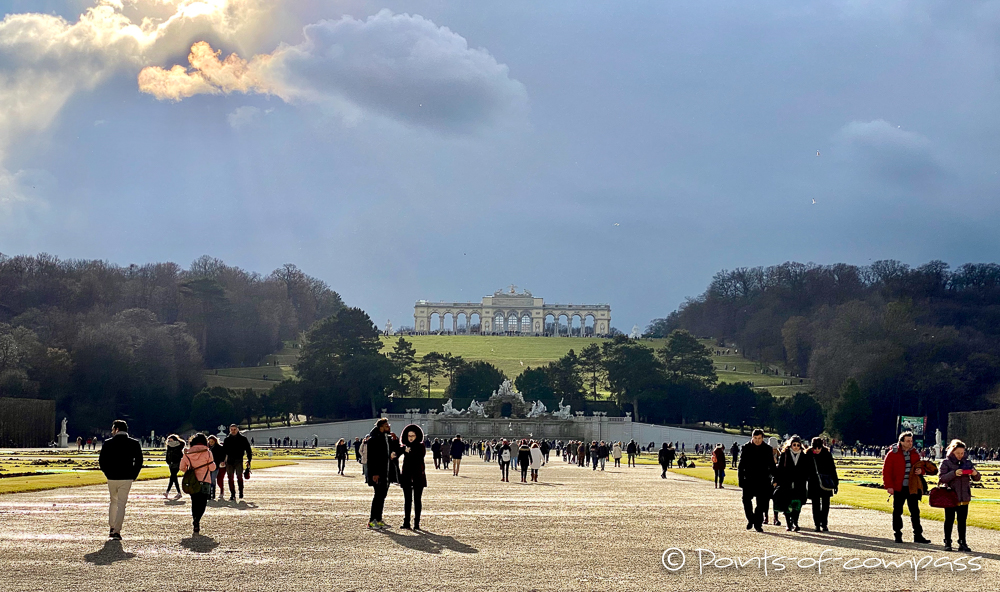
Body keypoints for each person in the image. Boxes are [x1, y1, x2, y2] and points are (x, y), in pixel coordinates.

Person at [883, 431, 932, 544]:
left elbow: (921, 466)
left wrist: (921, 471)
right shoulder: (892, 454)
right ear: (901, 442)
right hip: (899, 487)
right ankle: (898, 534)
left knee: (915, 511)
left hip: (912, 487)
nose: (911, 443)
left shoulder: (915, 453)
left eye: (911, 440)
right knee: (897, 511)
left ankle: (918, 535)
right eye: (908, 441)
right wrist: (889, 486)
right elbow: (886, 471)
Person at [98, 420, 143, 540]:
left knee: (113, 501)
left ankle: (112, 527)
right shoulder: (134, 443)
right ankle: (117, 530)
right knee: (121, 504)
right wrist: (133, 475)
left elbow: (102, 461)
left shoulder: (108, 443)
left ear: (116, 429)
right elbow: (139, 461)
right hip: (127, 476)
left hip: (112, 477)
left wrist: (107, 473)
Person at [939, 439, 981, 552]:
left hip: (964, 497)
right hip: (951, 496)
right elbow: (942, 478)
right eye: (958, 453)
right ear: (952, 451)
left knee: (962, 521)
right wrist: (954, 473)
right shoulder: (946, 462)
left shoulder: (967, 462)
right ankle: (947, 542)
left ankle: (962, 542)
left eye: (962, 453)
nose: (960, 455)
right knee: (949, 520)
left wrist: (975, 473)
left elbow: (977, 478)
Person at [738, 429, 775, 532]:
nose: (757, 440)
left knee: (761, 504)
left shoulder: (767, 449)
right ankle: (751, 518)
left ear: (763, 438)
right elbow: (741, 466)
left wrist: (775, 477)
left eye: (759, 438)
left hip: (763, 480)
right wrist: (741, 479)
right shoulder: (746, 448)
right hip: (749, 479)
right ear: (752, 438)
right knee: (746, 500)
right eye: (755, 438)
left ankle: (758, 524)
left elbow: (771, 465)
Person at [178, 433, 216, 535]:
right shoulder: (208, 452)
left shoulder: (187, 453)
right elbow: (212, 468)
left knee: (194, 502)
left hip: (192, 481)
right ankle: (197, 519)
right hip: (205, 480)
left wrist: (189, 471)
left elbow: (182, 467)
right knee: (202, 503)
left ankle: (195, 519)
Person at [365, 418, 397, 529]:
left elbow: (394, 451)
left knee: (382, 496)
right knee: (378, 497)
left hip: (386, 473)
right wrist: (374, 473)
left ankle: (378, 519)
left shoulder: (387, 439)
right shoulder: (373, 440)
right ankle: (372, 520)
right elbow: (372, 459)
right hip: (378, 473)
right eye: (386, 425)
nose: (388, 426)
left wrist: (395, 439)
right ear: (381, 427)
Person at [775, 436, 809, 532]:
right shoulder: (784, 455)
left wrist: (805, 478)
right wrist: (777, 480)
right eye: (794, 445)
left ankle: (795, 522)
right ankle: (788, 523)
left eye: (798, 445)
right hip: (786, 483)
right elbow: (780, 469)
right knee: (787, 504)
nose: (796, 447)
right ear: (790, 445)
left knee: (798, 504)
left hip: (799, 484)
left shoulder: (803, 455)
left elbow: (807, 470)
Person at [398, 424, 427, 530]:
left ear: (417, 436)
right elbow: (397, 453)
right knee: (407, 500)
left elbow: (418, 456)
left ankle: (417, 523)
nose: (410, 437)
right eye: (409, 435)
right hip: (406, 475)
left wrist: (408, 451)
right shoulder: (404, 447)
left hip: (418, 475)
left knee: (417, 500)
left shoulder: (421, 446)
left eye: (413, 435)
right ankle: (406, 522)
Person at [807, 437, 838, 532]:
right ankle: (817, 524)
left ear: (822, 446)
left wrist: (836, 484)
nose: (816, 450)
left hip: (825, 482)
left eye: (818, 448)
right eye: (815, 448)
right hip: (814, 482)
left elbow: (833, 470)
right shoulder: (808, 454)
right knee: (815, 504)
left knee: (825, 504)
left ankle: (824, 523)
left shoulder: (827, 455)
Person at [222, 424, 253, 501]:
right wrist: (222, 460)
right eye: (232, 429)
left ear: (238, 429)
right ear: (229, 430)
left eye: (234, 429)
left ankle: (241, 491)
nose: (233, 431)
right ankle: (232, 494)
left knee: (239, 477)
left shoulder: (243, 439)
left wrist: (249, 460)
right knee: (230, 478)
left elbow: (248, 450)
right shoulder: (227, 440)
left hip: (239, 460)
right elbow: (224, 452)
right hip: (229, 461)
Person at [164, 434, 184, 500]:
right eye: (169, 440)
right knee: (173, 478)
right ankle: (178, 493)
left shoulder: (178, 446)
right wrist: (168, 461)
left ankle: (168, 492)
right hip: (171, 464)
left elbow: (180, 455)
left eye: (171, 439)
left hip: (177, 463)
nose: (169, 441)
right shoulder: (169, 446)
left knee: (173, 477)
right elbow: (167, 454)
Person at [207, 435, 226, 500]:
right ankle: (210, 494)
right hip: (208, 466)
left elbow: (223, 455)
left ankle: (213, 493)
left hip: (216, 465)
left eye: (212, 442)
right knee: (209, 480)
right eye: (209, 442)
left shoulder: (219, 448)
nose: (211, 443)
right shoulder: (207, 448)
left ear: (215, 441)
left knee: (213, 479)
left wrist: (221, 461)